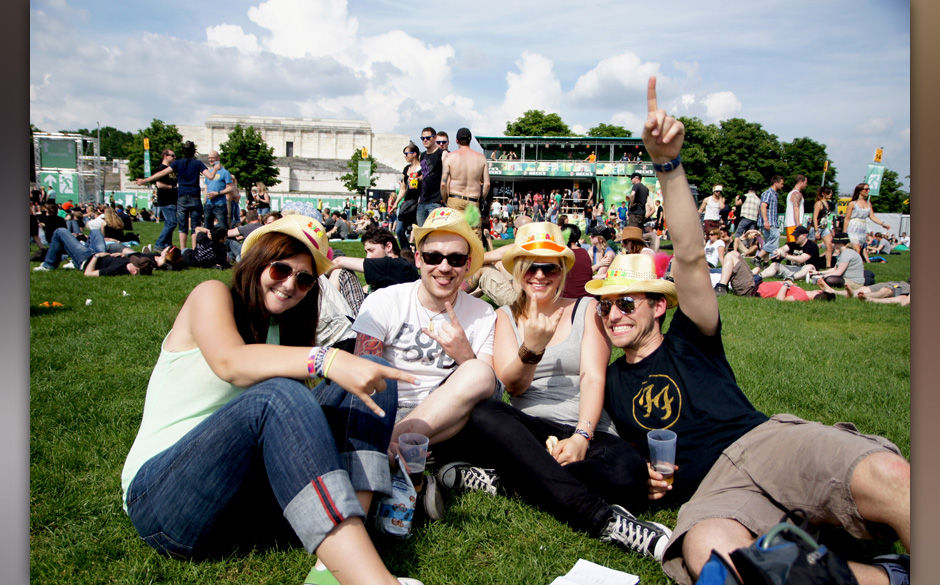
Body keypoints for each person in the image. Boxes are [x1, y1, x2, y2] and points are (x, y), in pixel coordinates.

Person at [597, 78, 909, 585]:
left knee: (891, 476)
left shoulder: (690, 336)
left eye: (626, 302)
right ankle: (888, 577)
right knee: (716, 557)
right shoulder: (608, 383)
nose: (614, 314)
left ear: (659, 304)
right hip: (713, 495)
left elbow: (692, 255)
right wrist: (647, 479)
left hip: (762, 443)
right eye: (606, 306)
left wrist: (667, 165)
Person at [119, 214, 422, 585]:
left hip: (243, 505)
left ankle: (332, 569)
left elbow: (298, 429)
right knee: (278, 395)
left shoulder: (283, 330)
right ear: (256, 262)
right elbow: (231, 363)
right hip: (163, 499)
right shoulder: (211, 295)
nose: (290, 284)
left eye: (304, 278)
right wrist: (327, 358)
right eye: (280, 269)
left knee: (374, 374)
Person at [439, 222, 669, 560]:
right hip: (527, 431)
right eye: (530, 266)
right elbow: (513, 385)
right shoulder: (505, 316)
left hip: (587, 429)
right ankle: (603, 520)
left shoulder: (587, 309)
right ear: (517, 271)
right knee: (484, 413)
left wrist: (581, 437)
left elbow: (592, 377)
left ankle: (511, 479)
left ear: (561, 271)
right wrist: (532, 347)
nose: (539, 275)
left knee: (628, 475)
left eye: (550, 267)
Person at [351, 208, 499, 468]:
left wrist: (465, 356)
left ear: (467, 263)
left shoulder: (483, 313)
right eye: (433, 257)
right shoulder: (385, 300)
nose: (444, 267)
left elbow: (490, 393)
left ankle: (389, 446)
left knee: (478, 372)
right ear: (418, 259)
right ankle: (423, 460)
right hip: (387, 408)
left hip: (448, 414)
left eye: (455, 259)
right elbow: (361, 373)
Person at [136, 140, 219, 250]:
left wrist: (145, 180)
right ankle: (194, 250)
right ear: (194, 152)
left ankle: (183, 250)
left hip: (182, 197)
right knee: (195, 226)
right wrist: (215, 170)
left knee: (182, 226)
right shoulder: (198, 163)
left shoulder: (177, 163)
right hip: (194, 196)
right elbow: (210, 177)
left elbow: (161, 173)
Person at [328, 226, 419, 295]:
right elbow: (367, 288)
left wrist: (322, 273)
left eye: (371, 250)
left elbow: (338, 261)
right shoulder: (396, 268)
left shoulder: (395, 265)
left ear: (388, 247)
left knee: (339, 272)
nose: (368, 257)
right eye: (366, 252)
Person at [441, 128, 490, 242]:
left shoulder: (450, 157)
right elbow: (487, 184)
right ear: (470, 140)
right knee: (474, 240)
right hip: (473, 201)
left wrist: (445, 199)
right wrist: (481, 198)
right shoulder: (480, 158)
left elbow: (443, 184)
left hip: (455, 199)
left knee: (454, 236)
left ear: (457, 140)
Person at [756, 225, 822, 281]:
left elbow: (801, 259)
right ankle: (758, 276)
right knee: (775, 264)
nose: (795, 237)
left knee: (809, 266)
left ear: (805, 235)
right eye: (794, 235)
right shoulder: (793, 244)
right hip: (792, 268)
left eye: (797, 236)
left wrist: (784, 255)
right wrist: (779, 251)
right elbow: (784, 248)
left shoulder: (811, 245)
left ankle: (791, 278)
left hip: (806, 271)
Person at [388, 143, 422, 251]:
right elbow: (403, 188)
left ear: (414, 154)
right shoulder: (406, 169)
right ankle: (406, 252)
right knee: (399, 231)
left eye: (407, 153)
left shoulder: (423, 168)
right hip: (407, 202)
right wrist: (396, 203)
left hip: (419, 202)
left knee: (418, 231)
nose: (405, 156)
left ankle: (418, 253)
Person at [844, 184, 890, 262]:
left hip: (862, 227)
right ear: (860, 191)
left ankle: (853, 264)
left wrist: (883, 224)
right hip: (853, 226)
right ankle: (853, 264)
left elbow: (872, 216)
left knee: (859, 249)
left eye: (868, 189)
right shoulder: (853, 203)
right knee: (856, 248)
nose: (868, 191)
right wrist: (844, 232)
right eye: (866, 189)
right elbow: (847, 219)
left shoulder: (868, 203)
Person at [417, 127, 444, 225]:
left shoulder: (441, 154)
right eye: (423, 138)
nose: (425, 140)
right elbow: (425, 175)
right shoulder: (423, 155)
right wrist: (416, 178)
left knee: (434, 233)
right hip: (423, 201)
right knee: (422, 234)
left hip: (436, 201)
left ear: (435, 138)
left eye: (428, 138)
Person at [153, 149, 179, 250]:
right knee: (172, 223)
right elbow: (159, 184)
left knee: (169, 223)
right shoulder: (161, 169)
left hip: (172, 200)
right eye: (173, 156)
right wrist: (173, 188)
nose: (174, 157)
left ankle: (167, 246)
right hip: (166, 200)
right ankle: (159, 244)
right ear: (165, 156)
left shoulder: (171, 170)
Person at [203, 150, 235, 230]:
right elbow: (206, 187)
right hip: (209, 204)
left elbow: (230, 188)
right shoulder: (209, 172)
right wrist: (205, 201)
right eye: (209, 158)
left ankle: (224, 242)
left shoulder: (225, 172)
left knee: (223, 227)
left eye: (212, 158)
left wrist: (218, 193)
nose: (210, 160)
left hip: (220, 204)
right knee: (207, 228)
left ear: (218, 158)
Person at [756, 175, 784, 263]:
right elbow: (763, 206)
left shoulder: (774, 195)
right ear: (776, 183)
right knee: (775, 239)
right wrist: (766, 221)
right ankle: (757, 258)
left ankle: (765, 262)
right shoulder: (768, 193)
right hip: (769, 222)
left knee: (768, 242)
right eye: (781, 183)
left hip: (771, 222)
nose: (782, 185)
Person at [811, 186, 835, 268]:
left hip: (824, 227)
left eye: (831, 192)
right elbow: (815, 217)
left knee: (829, 245)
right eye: (829, 193)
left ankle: (828, 266)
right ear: (823, 194)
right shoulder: (819, 203)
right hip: (816, 227)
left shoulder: (828, 204)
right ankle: (812, 264)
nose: (830, 194)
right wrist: (816, 230)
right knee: (813, 247)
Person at [783, 174, 807, 243]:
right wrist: (798, 224)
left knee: (791, 245)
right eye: (805, 183)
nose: (806, 185)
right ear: (801, 182)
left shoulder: (791, 193)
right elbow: (796, 209)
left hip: (791, 224)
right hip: (793, 224)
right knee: (793, 245)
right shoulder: (796, 194)